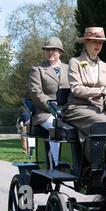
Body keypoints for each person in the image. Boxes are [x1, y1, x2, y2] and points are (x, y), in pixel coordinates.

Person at [62, 27, 106, 138]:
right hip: (78, 108)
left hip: (100, 109)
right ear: (86, 42)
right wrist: (102, 90)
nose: (98, 45)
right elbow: (76, 89)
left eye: (100, 42)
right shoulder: (75, 62)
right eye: (94, 42)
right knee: (104, 123)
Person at [29, 37, 69, 168]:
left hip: (68, 111)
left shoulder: (69, 69)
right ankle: (57, 163)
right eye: (47, 50)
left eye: (54, 50)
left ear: (60, 52)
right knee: (57, 127)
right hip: (45, 113)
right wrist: (53, 106)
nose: (50, 52)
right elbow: (36, 93)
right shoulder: (38, 69)